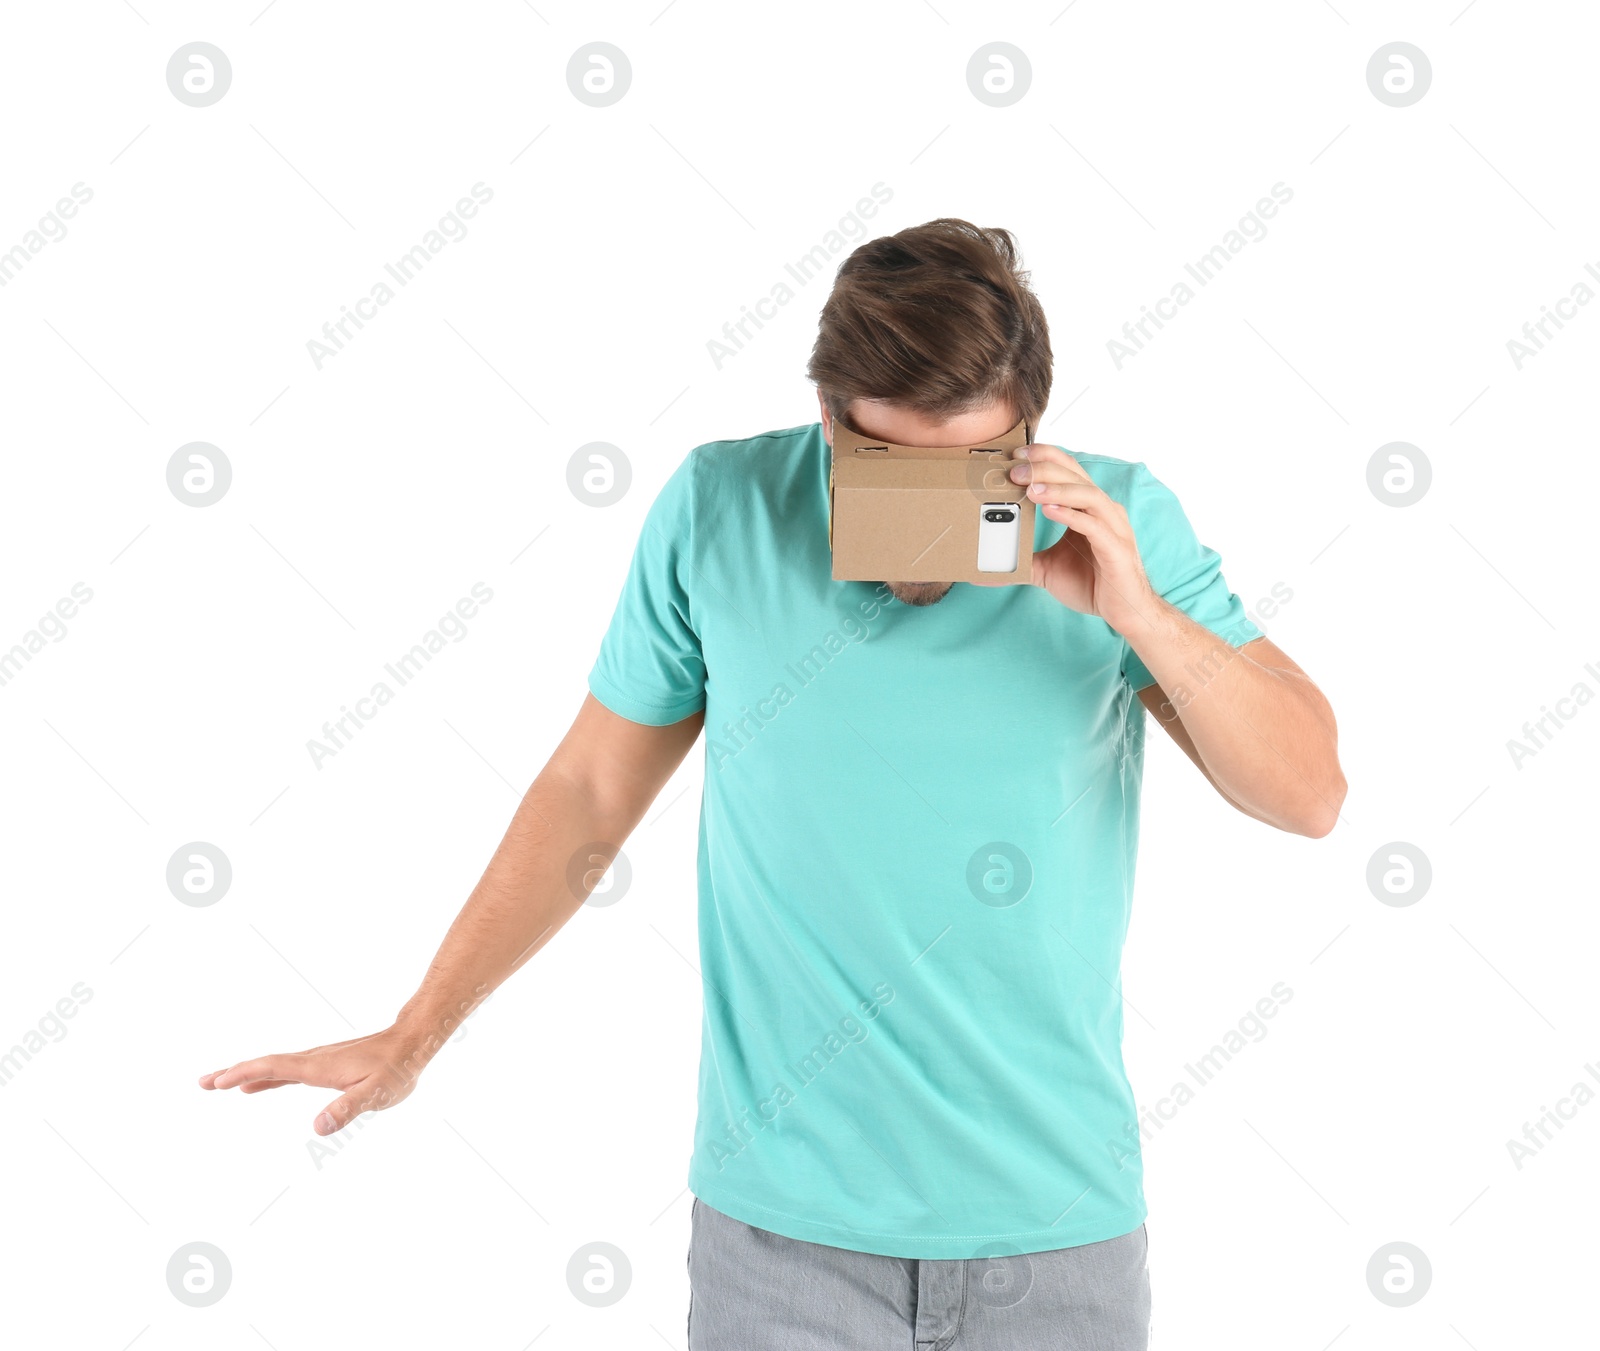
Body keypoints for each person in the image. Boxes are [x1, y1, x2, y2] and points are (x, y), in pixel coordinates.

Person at [201, 218, 1345, 1349]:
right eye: (890, 470)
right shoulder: (721, 507)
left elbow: (1307, 794)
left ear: (1030, 434)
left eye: (974, 475)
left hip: (1054, 1245)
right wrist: (418, 1030)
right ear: (829, 421)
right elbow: (589, 793)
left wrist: (1138, 615)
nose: (936, 519)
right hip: (782, 1255)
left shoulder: (1120, 524)